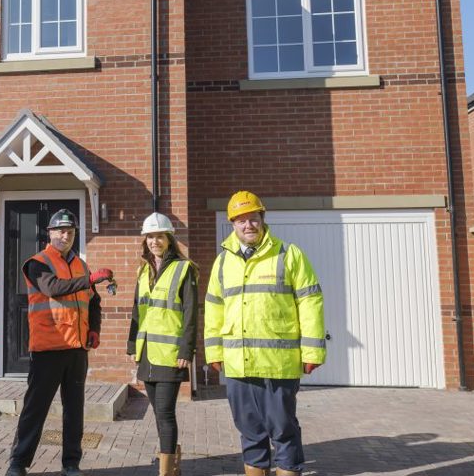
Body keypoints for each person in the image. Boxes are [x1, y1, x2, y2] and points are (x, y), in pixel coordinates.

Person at [204, 191, 326, 476]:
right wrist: (214, 351)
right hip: (238, 364)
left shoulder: (288, 254)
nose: (248, 225)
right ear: (232, 224)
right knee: (249, 430)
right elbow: (213, 308)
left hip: (278, 364)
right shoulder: (223, 262)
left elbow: (310, 302)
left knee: (283, 430)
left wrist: (312, 351)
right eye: (241, 220)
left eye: (253, 218)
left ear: (263, 219)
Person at [6, 208, 113, 476]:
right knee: (35, 409)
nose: (66, 235)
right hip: (48, 350)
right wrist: (88, 279)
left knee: (74, 411)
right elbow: (53, 288)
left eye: (70, 231)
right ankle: (18, 463)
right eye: (60, 231)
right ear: (50, 233)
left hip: (77, 349)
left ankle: (71, 463)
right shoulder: (37, 263)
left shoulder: (80, 264)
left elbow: (94, 301)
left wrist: (95, 329)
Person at [127, 212, 198, 476]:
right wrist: (133, 345)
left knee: (166, 413)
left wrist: (186, 349)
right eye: (150, 237)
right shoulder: (143, 270)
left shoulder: (184, 268)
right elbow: (137, 311)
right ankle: (172, 461)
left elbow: (191, 312)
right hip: (147, 353)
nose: (154, 241)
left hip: (171, 354)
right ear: (145, 241)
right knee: (157, 413)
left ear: (169, 239)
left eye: (159, 236)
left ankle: (166, 471)